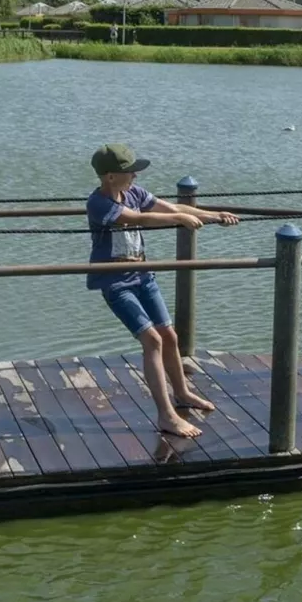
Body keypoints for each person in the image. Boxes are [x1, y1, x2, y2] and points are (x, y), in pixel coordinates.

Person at [87, 143, 238, 437]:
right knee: (152, 341)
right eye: (128, 171)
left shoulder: (134, 192)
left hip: (143, 275)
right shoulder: (97, 203)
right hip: (115, 281)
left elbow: (170, 208)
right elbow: (136, 218)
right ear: (108, 177)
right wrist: (179, 220)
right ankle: (166, 416)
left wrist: (214, 215)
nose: (133, 175)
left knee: (169, 335)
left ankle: (182, 392)